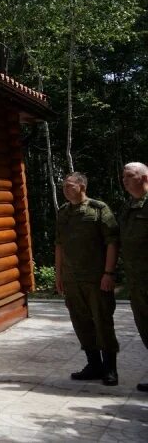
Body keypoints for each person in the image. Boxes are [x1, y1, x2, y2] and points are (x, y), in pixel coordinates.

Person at [55, 172, 119, 386]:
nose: (65, 189)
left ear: (82, 186)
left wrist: (108, 273)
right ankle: (94, 365)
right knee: (80, 322)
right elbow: (59, 245)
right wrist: (59, 274)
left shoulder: (99, 209)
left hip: (96, 278)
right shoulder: (63, 212)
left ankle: (110, 369)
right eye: (63, 186)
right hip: (72, 279)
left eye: (69, 185)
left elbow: (112, 242)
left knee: (102, 322)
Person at [119, 162, 148, 392]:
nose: (124, 180)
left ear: (144, 177)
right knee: (144, 327)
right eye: (123, 176)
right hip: (137, 283)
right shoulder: (129, 206)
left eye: (129, 176)